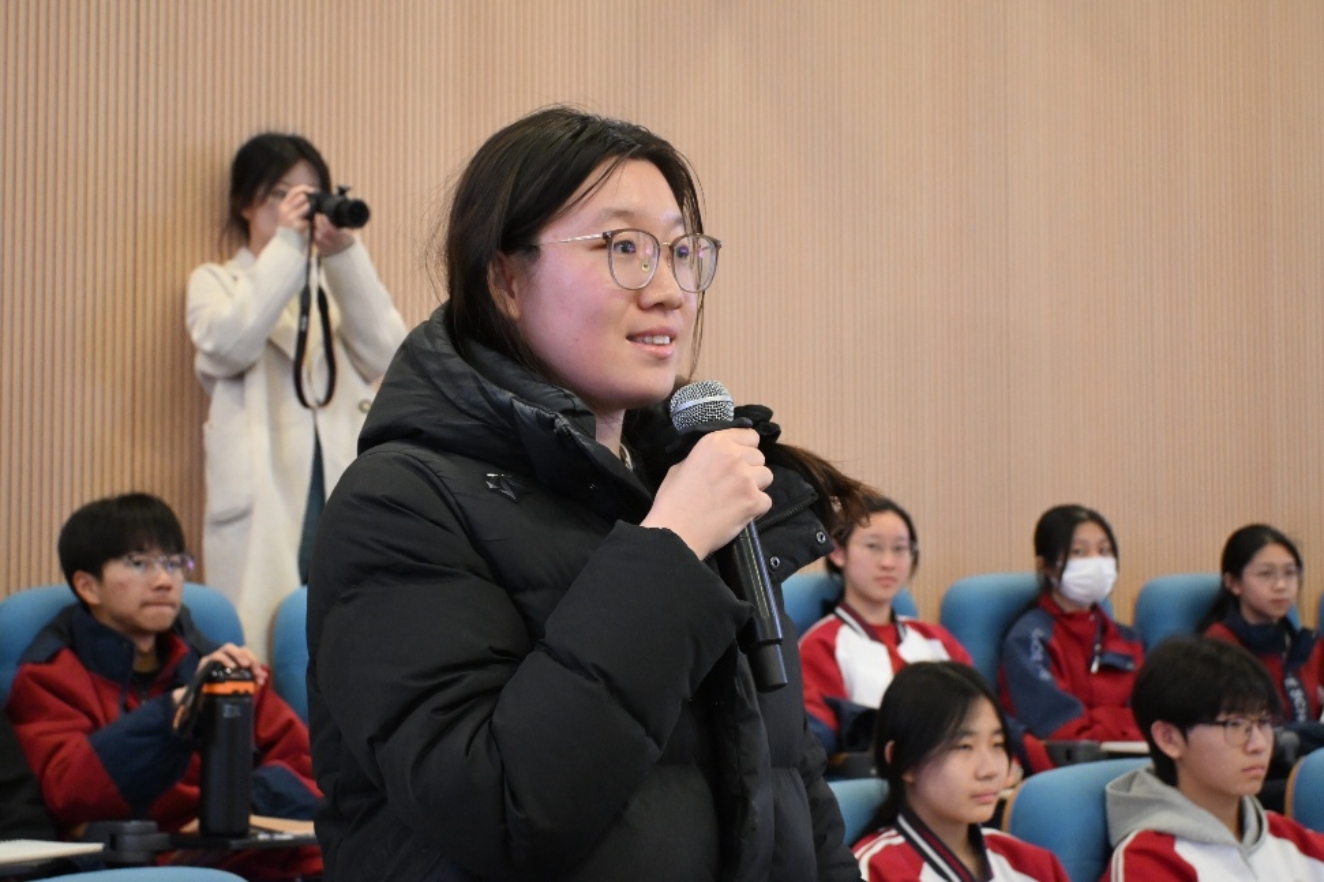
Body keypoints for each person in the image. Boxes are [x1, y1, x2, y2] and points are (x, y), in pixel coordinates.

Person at [306, 106, 871, 881]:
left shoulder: (685, 488)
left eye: (681, 252)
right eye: (624, 248)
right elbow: (503, 807)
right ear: (506, 278)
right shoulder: (398, 504)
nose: (670, 291)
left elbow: (789, 783)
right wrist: (671, 548)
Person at [5, 493, 321, 880]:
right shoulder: (49, 677)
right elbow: (66, 794)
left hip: (243, 852)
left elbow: (310, 769)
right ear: (88, 587)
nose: (164, 581)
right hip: (132, 864)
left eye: (174, 563)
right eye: (139, 564)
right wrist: (173, 713)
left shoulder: (216, 667)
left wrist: (235, 805)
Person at [186, 132, 406, 657]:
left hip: (338, 481)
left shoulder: (333, 290)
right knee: (262, 645)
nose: (299, 207)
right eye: (282, 194)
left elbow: (388, 355)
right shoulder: (216, 282)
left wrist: (344, 255)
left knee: (349, 640)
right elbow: (229, 345)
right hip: (262, 491)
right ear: (245, 202)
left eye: (310, 195)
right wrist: (287, 247)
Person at [1104, 636, 1324, 880]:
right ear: (1169, 738)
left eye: (1263, 722)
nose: (1259, 744)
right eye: (1235, 724)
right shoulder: (1147, 863)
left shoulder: (1287, 837)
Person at [851, 661, 1069, 881]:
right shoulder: (871, 872)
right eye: (964, 747)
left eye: (997, 744)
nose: (990, 770)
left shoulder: (1035, 865)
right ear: (904, 761)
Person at [800, 495, 972, 755]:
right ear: (838, 552)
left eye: (900, 548)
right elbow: (822, 747)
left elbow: (980, 714)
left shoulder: (936, 638)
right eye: (873, 546)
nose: (888, 563)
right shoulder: (820, 645)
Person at [999, 503, 1144, 742]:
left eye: (1104, 550)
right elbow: (1062, 731)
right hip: (1070, 761)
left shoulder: (1128, 639)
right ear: (1045, 566)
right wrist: (1120, 722)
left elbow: (1154, 718)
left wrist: (1100, 721)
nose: (1096, 562)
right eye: (1079, 552)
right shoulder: (1028, 640)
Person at [1202, 523, 1324, 727]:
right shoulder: (1216, 651)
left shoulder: (1308, 646)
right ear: (1233, 583)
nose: (1281, 586)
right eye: (1266, 574)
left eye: (1290, 573)